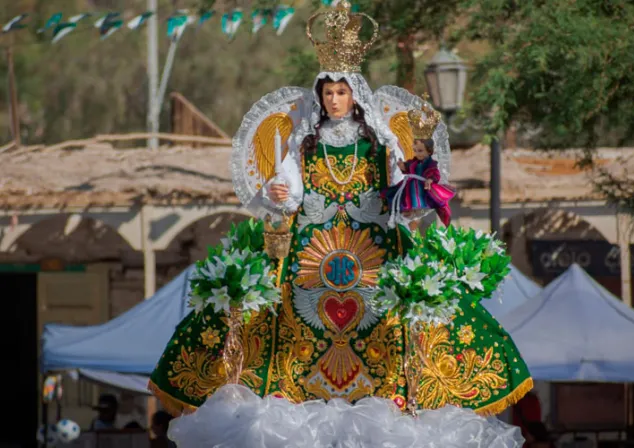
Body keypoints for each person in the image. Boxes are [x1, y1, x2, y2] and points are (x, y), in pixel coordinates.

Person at [148, 1, 532, 446]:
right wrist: (280, 192)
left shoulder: (379, 141)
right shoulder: (303, 141)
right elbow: (289, 185)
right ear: (320, 96)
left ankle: (402, 395)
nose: (333, 100)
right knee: (271, 313)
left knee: (411, 312)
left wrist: (413, 188)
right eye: (327, 93)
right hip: (313, 249)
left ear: (354, 95)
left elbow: (399, 190)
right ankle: (283, 396)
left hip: (373, 246)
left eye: (341, 93)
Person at [383, 96, 456, 230]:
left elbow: (433, 172)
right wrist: (402, 166)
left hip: (421, 186)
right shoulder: (414, 162)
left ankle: (414, 215)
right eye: (416, 150)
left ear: (429, 151)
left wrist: (430, 179)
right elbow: (408, 168)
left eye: (421, 151)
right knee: (400, 198)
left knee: (418, 199)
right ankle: (404, 213)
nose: (418, 154)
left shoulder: (429, 163)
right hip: (411, 184)